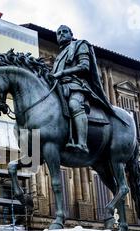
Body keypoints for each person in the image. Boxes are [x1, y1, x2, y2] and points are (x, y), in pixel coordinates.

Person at [51, 25, 127, 154]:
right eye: (59, 33)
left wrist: (63, 72)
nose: (62, 34)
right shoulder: (59, 57)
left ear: (71, 34)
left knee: (74, 105)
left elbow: (84, 66)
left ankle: (82, 143)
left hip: (77, 85)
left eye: (65, 32)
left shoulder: (81, 45)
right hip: (60, 87)